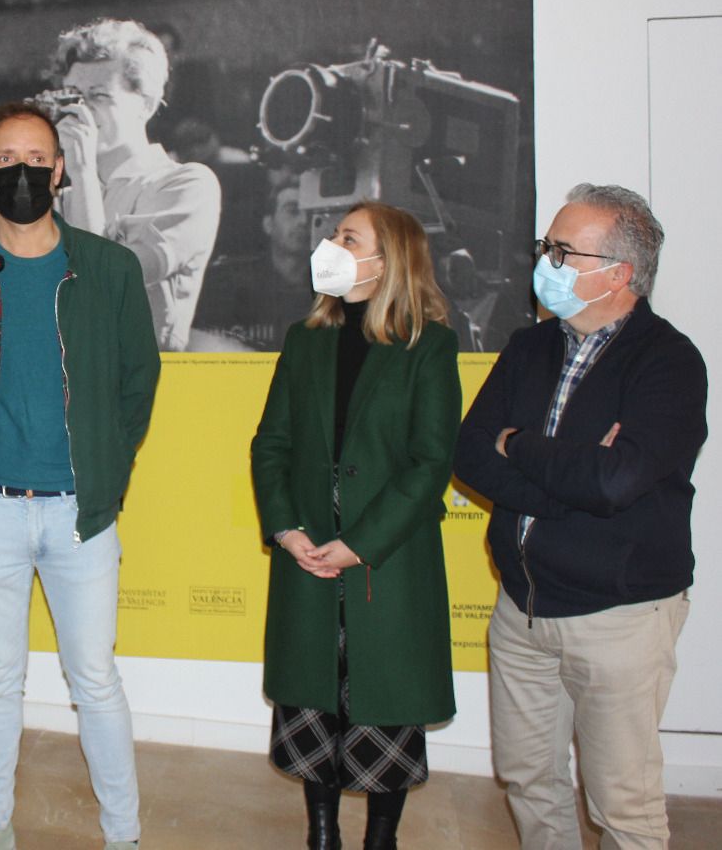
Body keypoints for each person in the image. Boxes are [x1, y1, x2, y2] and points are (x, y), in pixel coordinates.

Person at [0, 102, 160, 850]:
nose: (20, 171)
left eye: (35, 157)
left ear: (58, 170)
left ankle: (123, 834)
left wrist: (106, 476)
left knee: (94, 681)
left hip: (78, 516)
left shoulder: (109, 267)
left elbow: (136, 383)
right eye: (3, 159)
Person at [453, 184, 706, 850]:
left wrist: (521, 447)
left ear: (619, 273)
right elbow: (471, 453)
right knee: (529, 780)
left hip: (616, 619)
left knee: (620, 802)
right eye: (546, 247)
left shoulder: (668, 363)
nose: (544, 262)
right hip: (520, 609)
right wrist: (560, 481)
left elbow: (615, 480)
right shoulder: (526, 346)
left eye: (562, 251)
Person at [250, 202, 460, 850]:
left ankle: (379, 840)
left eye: (346, 237)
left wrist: (359, 545)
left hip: (385, 562)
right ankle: (320, 834)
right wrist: (286, 530)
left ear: (386, 258)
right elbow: (270, 445)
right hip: (308, 555)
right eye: (332, 235)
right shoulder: (304, 338)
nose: (328, 245)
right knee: (313, 699)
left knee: (384, 703)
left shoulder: (429, 345)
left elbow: (429, 464)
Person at [50, 18, 220, 351]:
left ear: (146, 103)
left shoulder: (186, 185)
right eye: (72, 96)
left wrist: (82, 169)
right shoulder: (63, 199)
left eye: (98, 95)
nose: (79, 110)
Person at [193, 182, 314, 351]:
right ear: (268, 224)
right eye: (292, 211)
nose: (304, 221)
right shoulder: (226, 281)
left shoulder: (334, 289)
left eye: (312, 214)